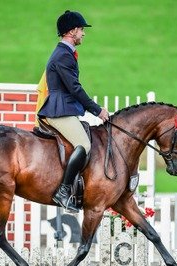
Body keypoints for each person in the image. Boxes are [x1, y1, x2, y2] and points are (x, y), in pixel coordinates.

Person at [38, 10, 109, 213]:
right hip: (58, 110)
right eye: (81, 30)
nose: (83, 34)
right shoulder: (63, 55)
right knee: (84, 144)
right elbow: (74, 88)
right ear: (71, 32)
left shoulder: (65, 53)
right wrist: (97, 111)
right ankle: (64, 191)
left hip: (65, 108)